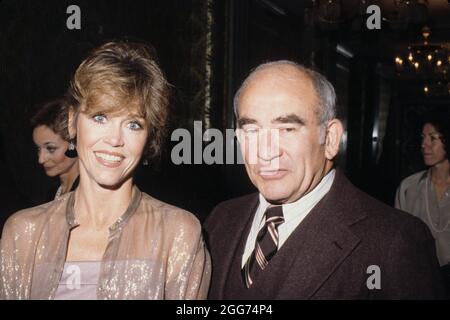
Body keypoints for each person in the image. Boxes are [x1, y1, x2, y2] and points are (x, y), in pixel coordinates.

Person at [204, 61, 445, 299]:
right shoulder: (220, 220)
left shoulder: (395, 241)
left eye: (287, 129)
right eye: (252, 131)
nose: (265, 152)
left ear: (330, 139)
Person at [0, 41, 211, 299]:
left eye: (133, 124)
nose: (114, 139)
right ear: (72, 122)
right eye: (100, 117)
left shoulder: (178, 233)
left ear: (148, 137)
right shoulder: (23, 232)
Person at [395, 110, 450, 294]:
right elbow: (398, 241)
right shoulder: (409, 187)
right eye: (423, 137)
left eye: (433, 138)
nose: (424, 144)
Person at [31, 99, 80, 201]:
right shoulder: (52, 192)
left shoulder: (89, 194)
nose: (41, 159)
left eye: (51, 149)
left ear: (74, 144)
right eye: (38, 149)